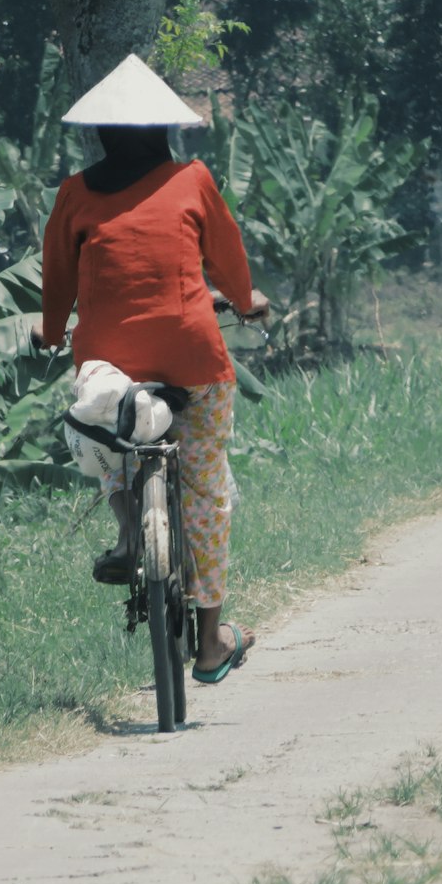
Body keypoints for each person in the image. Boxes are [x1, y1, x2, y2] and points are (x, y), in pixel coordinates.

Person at [31, 54, 269, 684]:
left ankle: (130, 535)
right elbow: (229, 262)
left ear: (100, 134)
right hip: (194, 358)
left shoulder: (75, 195)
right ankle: (212, 642)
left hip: (109, 362)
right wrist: (247, 304)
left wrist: (51, 333)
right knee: (207, 491)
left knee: (108, 442)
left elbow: (56, 283)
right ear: (163, 129)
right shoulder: (192, 180)